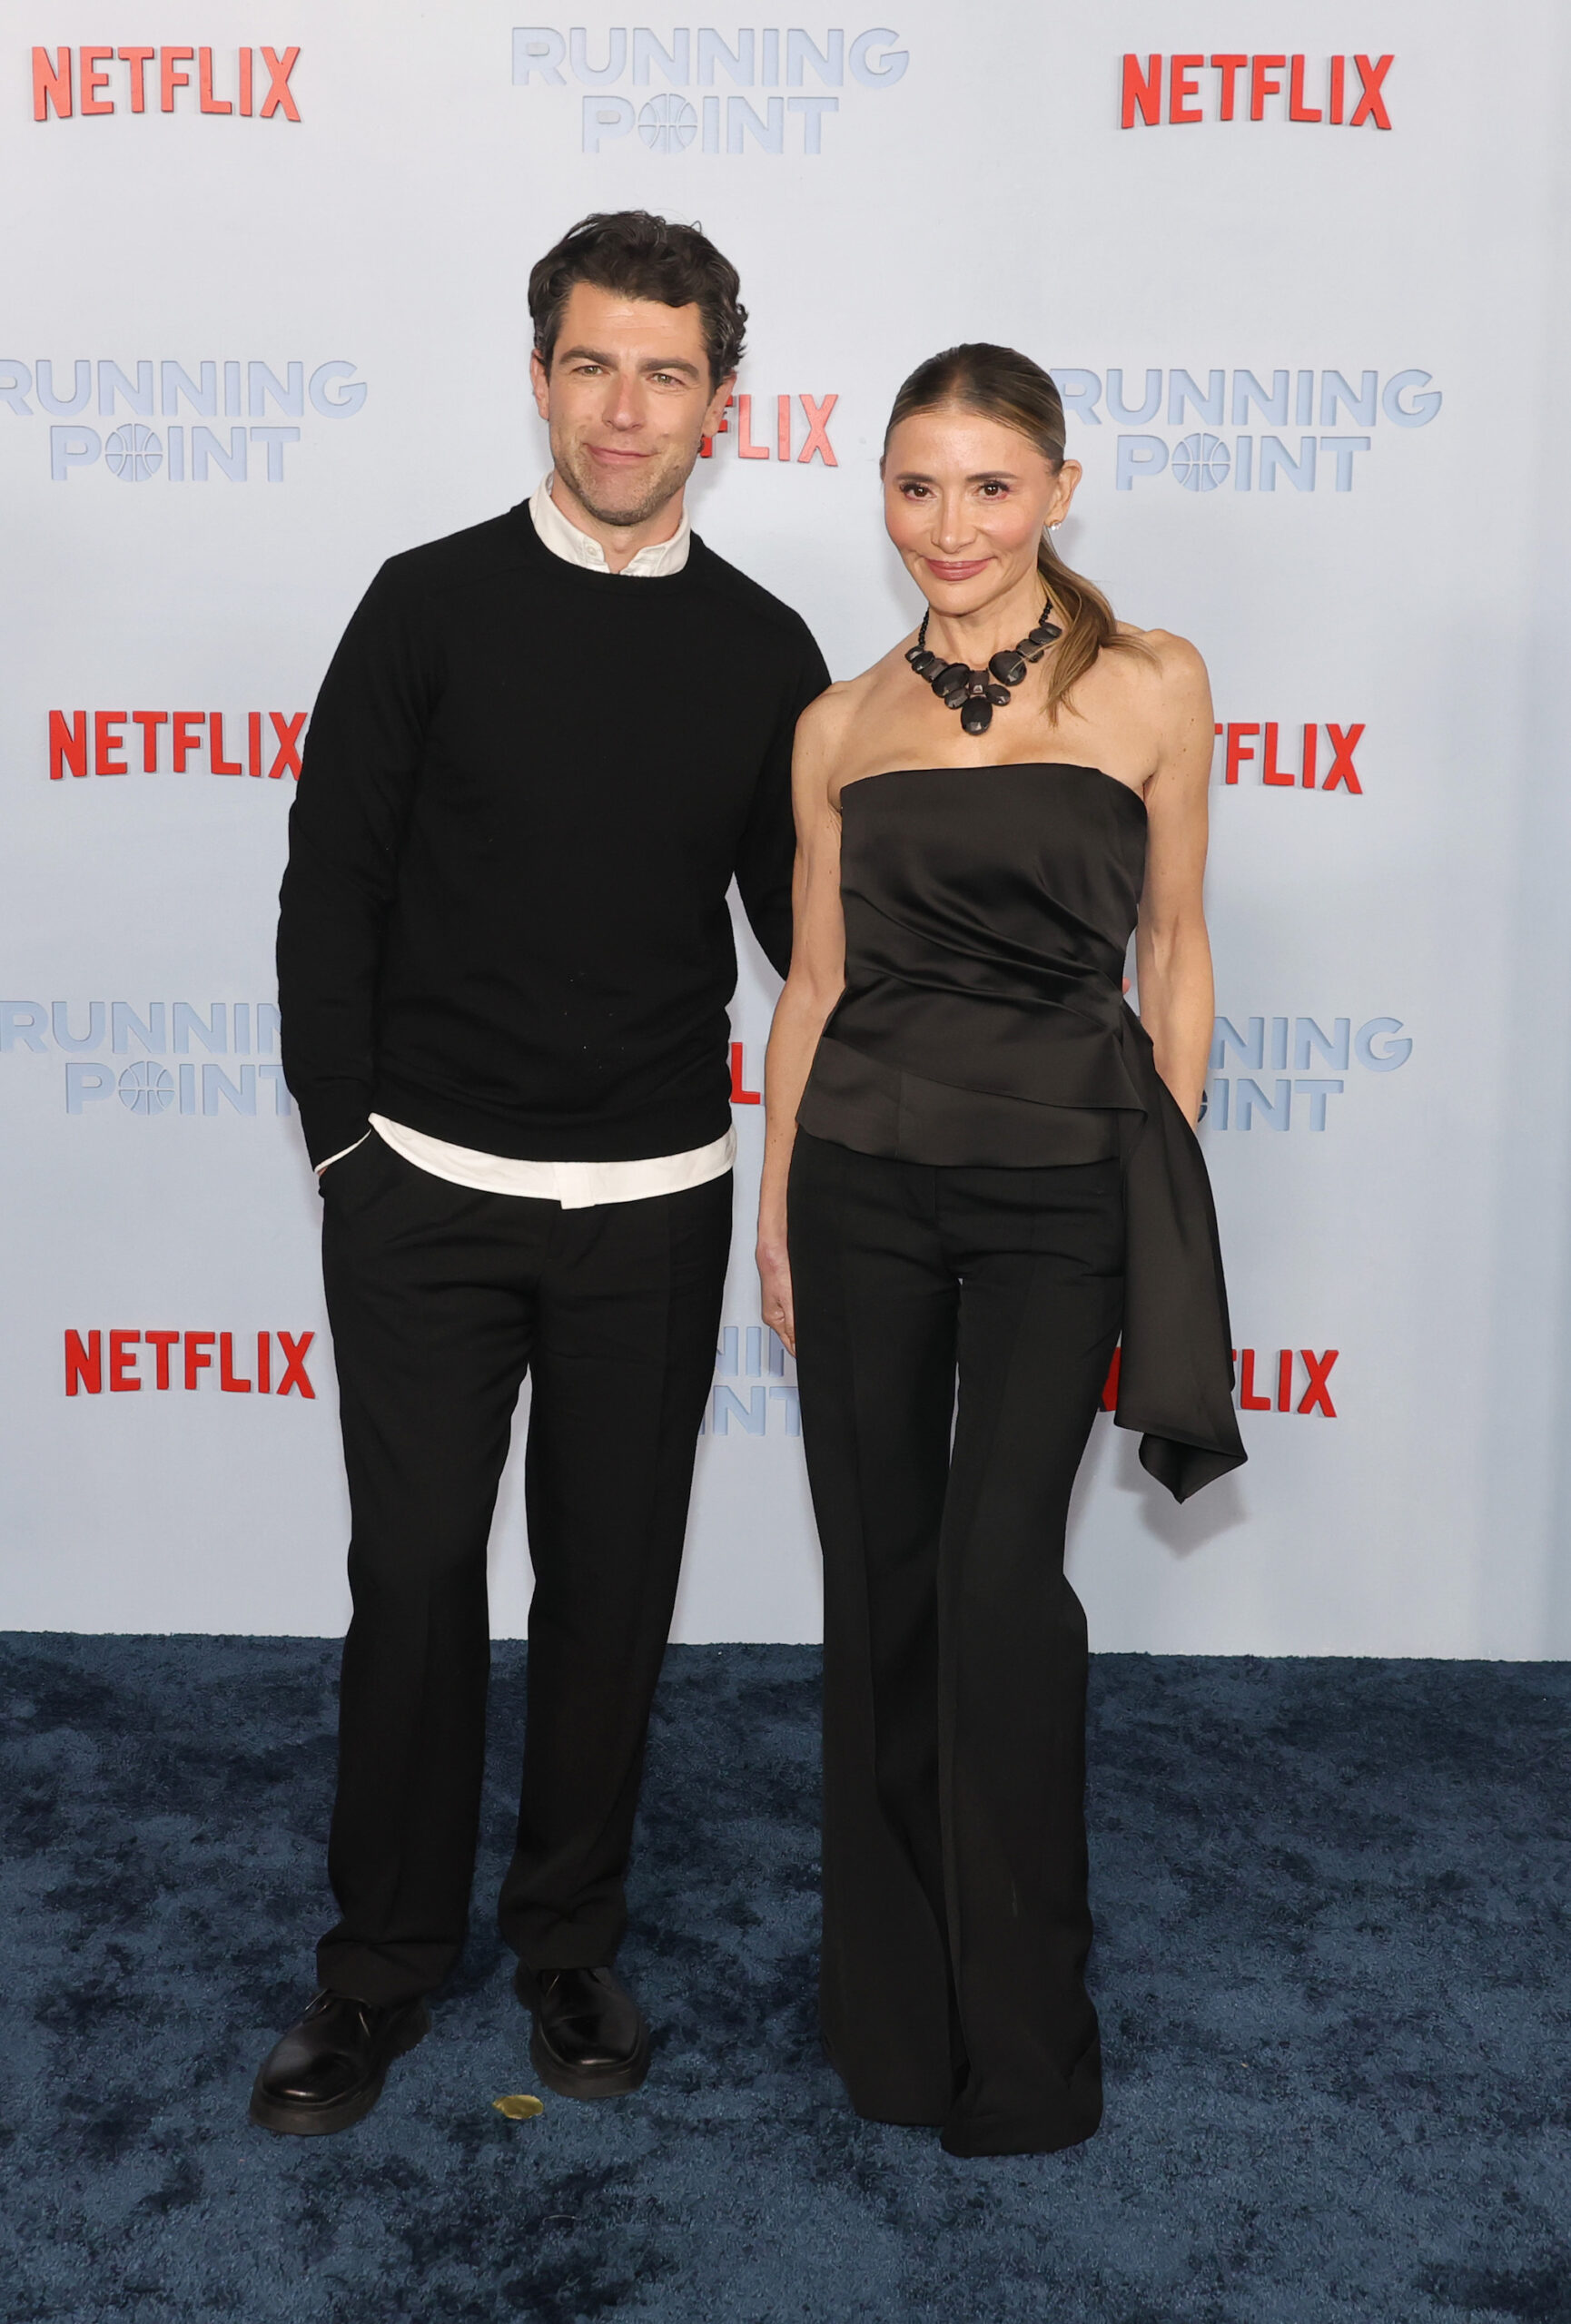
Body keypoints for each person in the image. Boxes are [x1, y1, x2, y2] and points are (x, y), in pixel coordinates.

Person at [252, 210, 829, 2137]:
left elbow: (800, 933)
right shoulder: (423, 603)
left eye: (665, 370)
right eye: (591, 362)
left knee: (609, 1588)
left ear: (719, 406)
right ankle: (376, 1968)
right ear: (539, 373)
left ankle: (567, 1936)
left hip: (652, 1202)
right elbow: (329, 882)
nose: (623, 405)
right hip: (420, 1184)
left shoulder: (766, 650)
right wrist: (345, 1143)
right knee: (413, 1580)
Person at [757, 344, 1245, 2160]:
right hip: (862, 1185)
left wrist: (1160, 1172)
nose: (946, 525)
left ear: (1055, 487)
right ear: (880, 495)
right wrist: (775, 1212)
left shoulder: (1152, 683)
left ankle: (1023, 2037)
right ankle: (894, 2029)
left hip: (1058, 1190)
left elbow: (1176, 947)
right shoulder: (835, 723)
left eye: (984, 484)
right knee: (880, 1598)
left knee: (993, 1590)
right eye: (911, 484)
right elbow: (811, 987)